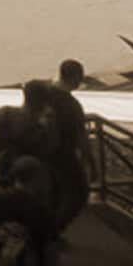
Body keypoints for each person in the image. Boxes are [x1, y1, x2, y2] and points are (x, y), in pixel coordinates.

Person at [44, 60, 91, 237]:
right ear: (75, 77)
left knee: (53, 194)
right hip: (64, 154)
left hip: (43, 152)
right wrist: (89, 161)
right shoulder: (71, 105)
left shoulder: (45, 94)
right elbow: (81, 136)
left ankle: (46, 230)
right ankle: (53, 230)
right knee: (79, 194)